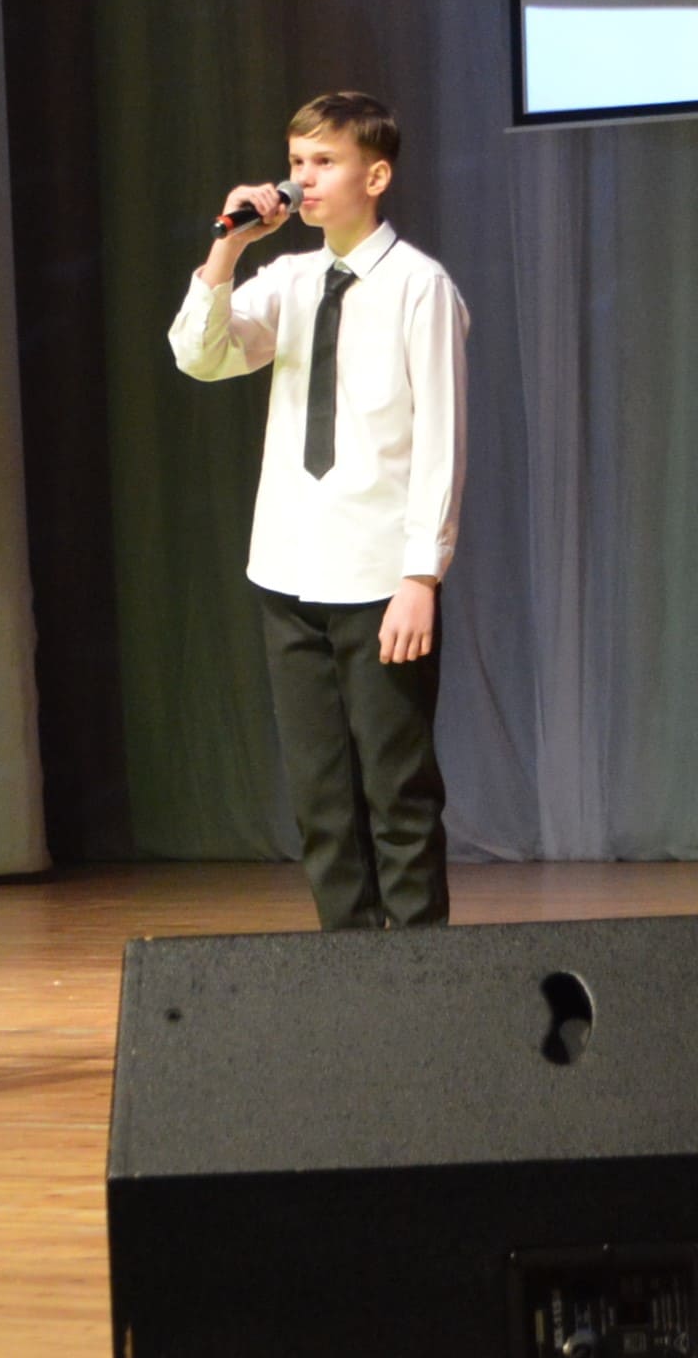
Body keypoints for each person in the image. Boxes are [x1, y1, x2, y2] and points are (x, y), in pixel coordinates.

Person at [171, 91, 468, 932]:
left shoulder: (418, 286)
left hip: (378, 575)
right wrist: (229, 247)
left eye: (324, 162)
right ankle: (346, 964)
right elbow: (199, 355)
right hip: (289, 571)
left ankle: (420, 968)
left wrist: (421, 575)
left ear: (374, 177)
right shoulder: (291, 279)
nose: (303, 179)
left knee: (397, 786)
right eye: (296, 162)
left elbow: (441, 440)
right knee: (320, 794)